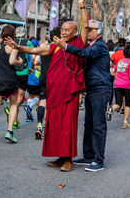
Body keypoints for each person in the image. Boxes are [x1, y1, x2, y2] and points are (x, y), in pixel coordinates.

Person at [5, 0, 88, 172]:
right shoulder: (54, 46)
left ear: (75, 33)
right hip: (54, 93)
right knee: (55, 126)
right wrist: (17, 47)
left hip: (69, 94)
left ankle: (69, 160)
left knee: (67, 128)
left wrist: (82, 7)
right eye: (63, 29)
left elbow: (86, 26)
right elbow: (34, 50)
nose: (64, 32)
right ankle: (60, 157)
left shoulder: (78, 44)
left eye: (68, 30)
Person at [54, 19, 111, 172]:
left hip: (100, 89)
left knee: (98, 126)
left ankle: (99, 160)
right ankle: (88, 155)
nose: (87, 31)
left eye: (90, 29)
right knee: (89, 124)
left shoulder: (99, 46)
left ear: (98, 31)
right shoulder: (91, 44)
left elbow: (84, 53)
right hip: (91, 89)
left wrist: (65, 46)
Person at [4, 26, 34, 128]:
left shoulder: (11, 42)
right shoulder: (28, 43)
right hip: (23, 71)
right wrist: (32, 67)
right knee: (20, 97)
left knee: (14, 96)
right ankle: (12, 112)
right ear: (25, 34)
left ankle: (15, 121)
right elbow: (33, 55)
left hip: (12, 71)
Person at [107, 46, 130, 128]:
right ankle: (125, 123)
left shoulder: (119, 62)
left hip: (117, 84)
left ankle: (112, 108)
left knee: (118, 103)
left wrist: (117, 76)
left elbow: (112, 72)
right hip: (127, 85)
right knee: (128, 104)